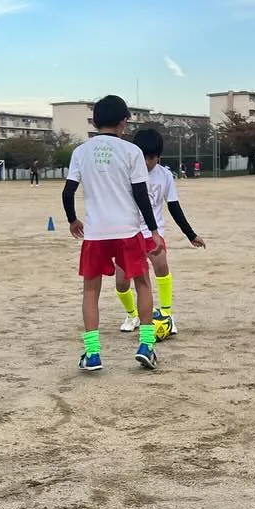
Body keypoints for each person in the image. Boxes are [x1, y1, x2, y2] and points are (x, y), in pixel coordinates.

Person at [63, 96, 162, 371]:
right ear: (123, 122)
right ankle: (146, 345)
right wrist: (153, 231)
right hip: (127, 231)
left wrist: (73, 220)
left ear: (94, 121)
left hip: (95, 233)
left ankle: (92, 353)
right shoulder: (131, 152)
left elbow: (68, 191)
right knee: (142, 283)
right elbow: (141, 195)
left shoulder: (81, 152)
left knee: (91, 291)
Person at [113, 128, 206, 340]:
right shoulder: (124, 173)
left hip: (152, 233)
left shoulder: (164, 176)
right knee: (121, 282)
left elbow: (173, 207)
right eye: (143, 156)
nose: (147, 162)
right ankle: (132, 315)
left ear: (159, 156)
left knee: (161, 265)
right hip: (127, 233)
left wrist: (190, 234)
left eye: (152, 157)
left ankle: (166, 314)